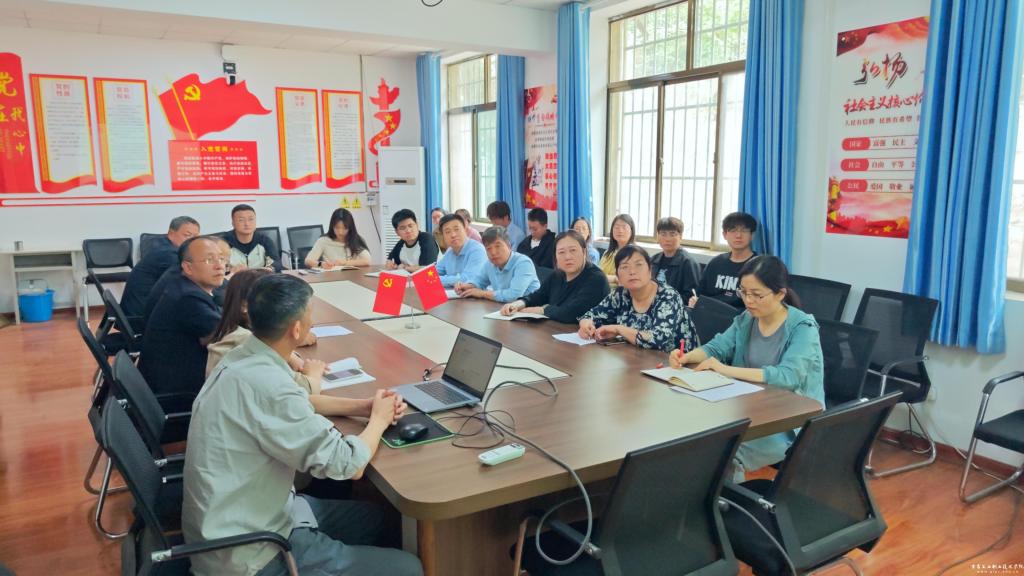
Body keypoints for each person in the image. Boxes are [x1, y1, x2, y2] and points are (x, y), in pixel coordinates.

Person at [183, 274, 422, 576]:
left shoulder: (244, 357)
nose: (312, 323)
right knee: (409, 568)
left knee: (379, 518)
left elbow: (297, 400)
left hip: (246, 514)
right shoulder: (268, 384)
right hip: (253, 552)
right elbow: (348, 465)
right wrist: (379, 420)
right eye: (310, 315)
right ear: (296, 329)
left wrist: (363, 407)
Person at [669, 255, 824, 480]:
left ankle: (726, 498)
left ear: (780, 293)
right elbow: (717, 347)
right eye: (743, 292)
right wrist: (686, 357)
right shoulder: (747, 319)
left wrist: (724, 370)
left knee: (725, 452)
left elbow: (787, 377)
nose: (748, 300)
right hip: (749, 407)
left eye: (757, 295)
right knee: (695, 436)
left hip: (789, 421)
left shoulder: (803, 328)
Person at [204, 269, 320, 393]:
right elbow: (303, 388)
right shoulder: (244, 341)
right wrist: (314, 373)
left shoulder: (232, 331)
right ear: (245, 306)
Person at [139, 236, 225, 399]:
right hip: (178, 394)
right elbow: (226, 335)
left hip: (171, 381)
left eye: (221, 259)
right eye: (209, 260)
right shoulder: (188, 298)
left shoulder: (183, 286)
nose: (219, 265)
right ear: (188, 267)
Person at [579, 245, 697, 352]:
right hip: (637, 357)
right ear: (618, 276)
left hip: (677, 363)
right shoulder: (621, 294)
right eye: (625, 267)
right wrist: (586, 325)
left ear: (650, 270)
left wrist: (618, 329)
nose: (632, 272)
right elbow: (591, 315)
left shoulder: (667, 296)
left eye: (639, 265)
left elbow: (659, 339)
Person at [501, 230, 610, 323]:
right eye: (561, 252)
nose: (567, 257)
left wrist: (542, 310)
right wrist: (519, 303)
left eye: (573, 250)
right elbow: (539, 295)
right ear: (555, 256)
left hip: (589, 337)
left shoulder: (596, 279)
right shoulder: (557, 275)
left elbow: (573, 313)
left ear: (584, 252)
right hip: (557, 332)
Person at [120, 216, 200, 317]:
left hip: (139, 310)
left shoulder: (163, 245)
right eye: (187, 235)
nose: (192, 241)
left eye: (196, 237)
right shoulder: (168, 254)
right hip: (141, 317)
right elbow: (194, 279)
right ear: (171, 234)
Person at [690, 211, 757, 310]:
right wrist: (695, 301)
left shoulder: (759, 266)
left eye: (744, 230)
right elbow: (699, 294)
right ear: (725, 234)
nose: (738, 235)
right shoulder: (716, 263)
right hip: (710, 313)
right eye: (733, 230)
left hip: (741, 317)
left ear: (752, 235)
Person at [455, 227, 540, 302]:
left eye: (498, 246)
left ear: (508, 245)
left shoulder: (523, 263)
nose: (493, 252)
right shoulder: (490, 264)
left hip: (530, 310)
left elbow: (513, 296)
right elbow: (479, 281)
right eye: (489, 248)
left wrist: (483, 293)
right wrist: (467, 286)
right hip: (504, 308)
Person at [651, 217, 701, 300]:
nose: (667, 239)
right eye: (663, 234)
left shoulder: (688, 263)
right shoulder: (653, 260)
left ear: (680, 237)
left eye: (672, 234)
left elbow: (691, 296)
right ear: (658, 236)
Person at [223, 204, 283, 272]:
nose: (247, 224)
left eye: (251, 219)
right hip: (233, 277)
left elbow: (276, 263)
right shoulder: (223, 242)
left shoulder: (264, 240)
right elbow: (218, 265)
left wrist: (269, 269)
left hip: (260, 277)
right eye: (241, 220)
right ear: (233, 223)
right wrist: (231, 270)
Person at [305, 208, 372, 269]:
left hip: (352, 276)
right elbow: (308, 261)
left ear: (350, 228)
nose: (340, 232)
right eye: (337, 228)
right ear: (332, 226)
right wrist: (321, 264)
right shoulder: (323, 240)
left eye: (345, 228)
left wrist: (344, 263)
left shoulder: (355, 239)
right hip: (332, 276)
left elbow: (367, 261)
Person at [435, 213, 487, 288]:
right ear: (443, 236)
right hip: (454, 293)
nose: (453, 235)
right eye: (447, 232)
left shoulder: (477, 250)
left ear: (465, 230)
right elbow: (434, 271)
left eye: (456, 229)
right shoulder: (450, 251)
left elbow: (466, 279)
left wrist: (434, 280)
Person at [598, 214, 636, 284]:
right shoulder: (608, 253)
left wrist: (614, 279)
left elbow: (627, 280)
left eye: (624, 227)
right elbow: (598, 274)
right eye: (616, 227)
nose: (620, 231)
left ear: (631, 230)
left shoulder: (635, 254)